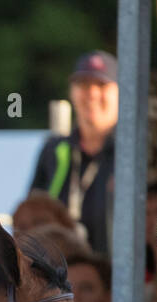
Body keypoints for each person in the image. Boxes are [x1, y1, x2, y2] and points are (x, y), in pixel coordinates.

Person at [28, 51, 117, 253]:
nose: (92, 94)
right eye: (84, 85)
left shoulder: (134, 154)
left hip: (117, 275)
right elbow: (29, 214)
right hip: (59, 274)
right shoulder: (53, 150)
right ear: (72, 92)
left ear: (121, 92)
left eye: (102, 85)